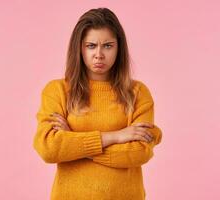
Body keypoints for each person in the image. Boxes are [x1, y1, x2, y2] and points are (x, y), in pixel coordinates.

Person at [33, 7, 163, 200]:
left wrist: (73, 141)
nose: (99, 54)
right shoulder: (57, 91)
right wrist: (117, 136)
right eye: (91, 46)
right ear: (79, 48)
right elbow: (49, 148)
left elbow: (139, 152)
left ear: (119, 48)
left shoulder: (137, 93)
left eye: (108, 46)